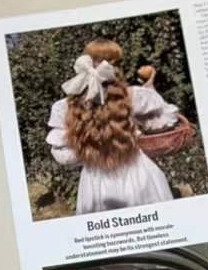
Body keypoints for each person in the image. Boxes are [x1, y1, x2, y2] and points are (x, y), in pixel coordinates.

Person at [46, 37, 181, 215]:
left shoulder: (65, 106)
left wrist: (91, 149)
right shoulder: (134, 96)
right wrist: (150, 88)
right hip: (138, 175)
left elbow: (63, 156)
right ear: (115, 66)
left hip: (95, 182)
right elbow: (166, 121)